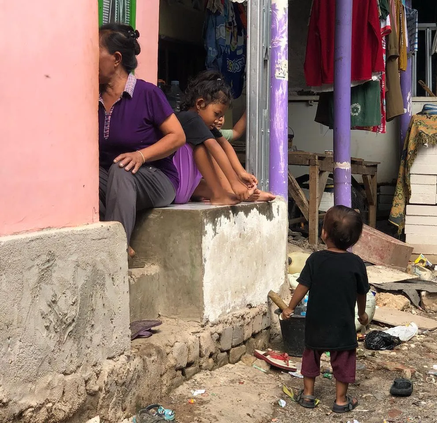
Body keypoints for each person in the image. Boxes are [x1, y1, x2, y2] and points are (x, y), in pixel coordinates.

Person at [98, 23, 186, 257]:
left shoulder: (147, 93)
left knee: (121, 168)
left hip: (156, 177)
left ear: (116, 59)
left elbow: (177, 137)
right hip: (115, 180)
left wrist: (141, 155)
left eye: (95, 52)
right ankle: (112, 243)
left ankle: (115, 252)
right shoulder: (91, 98)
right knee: (85, 176)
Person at [282, 205, 370, 413]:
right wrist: (362, 313)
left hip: (316, 321)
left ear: (324, 233)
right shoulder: (356, 263)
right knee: (344, 357)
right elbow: (361, 292)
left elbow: (302, 286)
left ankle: (308, 395)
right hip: (343, 323)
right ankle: (341, 401)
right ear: (354, 240)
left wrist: (290, 307)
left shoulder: (315, 259)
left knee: (311, 354)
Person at [173, 71, 274, 204]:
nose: (218, 120)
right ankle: (223, 193)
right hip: (176, 185)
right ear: (200, 104)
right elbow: (214, 147)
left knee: (213, 146)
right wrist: (234, 182)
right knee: (204, 148)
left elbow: (225, 145)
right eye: (216, 114)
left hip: (186, 188)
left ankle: (231, 193)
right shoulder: (189, 118)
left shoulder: (204, 124)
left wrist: (241, 172)